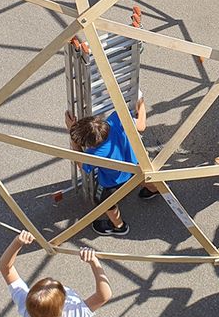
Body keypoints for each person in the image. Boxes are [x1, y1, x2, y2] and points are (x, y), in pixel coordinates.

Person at [65, 97, 158, 236]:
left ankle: (119, 226)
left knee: (102, 200)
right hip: (136, 165)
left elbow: (81, 165)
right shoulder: (116, 118)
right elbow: (141, 126)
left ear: (88, 144)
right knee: (142, 177)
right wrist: (142, 104)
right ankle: (153, 189)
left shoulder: (94, 153)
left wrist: (73, 138)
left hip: (113, 182)